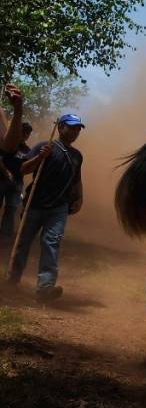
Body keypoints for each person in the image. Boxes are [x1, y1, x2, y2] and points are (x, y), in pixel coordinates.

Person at [6, 114, 85, 300]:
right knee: (23, 243)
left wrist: (79, 198)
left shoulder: (77, 156)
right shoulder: (43, 146)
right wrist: (40, 157)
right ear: (60, 128)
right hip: (35, 205)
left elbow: (76, 179)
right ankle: (12, 279)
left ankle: (45, 286)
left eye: (77, 129)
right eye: (71, 127)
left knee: (51, 243)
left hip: (59, 208)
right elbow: (24, 169)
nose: (74, 132)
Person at [0, 121, 32, 249]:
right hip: (1, 180)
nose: (25, 135)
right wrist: (6, 172)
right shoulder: (7, 144)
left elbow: (27, 167)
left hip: (17, 183)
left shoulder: (28, 151)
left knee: (11, 209)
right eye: (23, 132)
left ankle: (5, 237)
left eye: (27, 133)